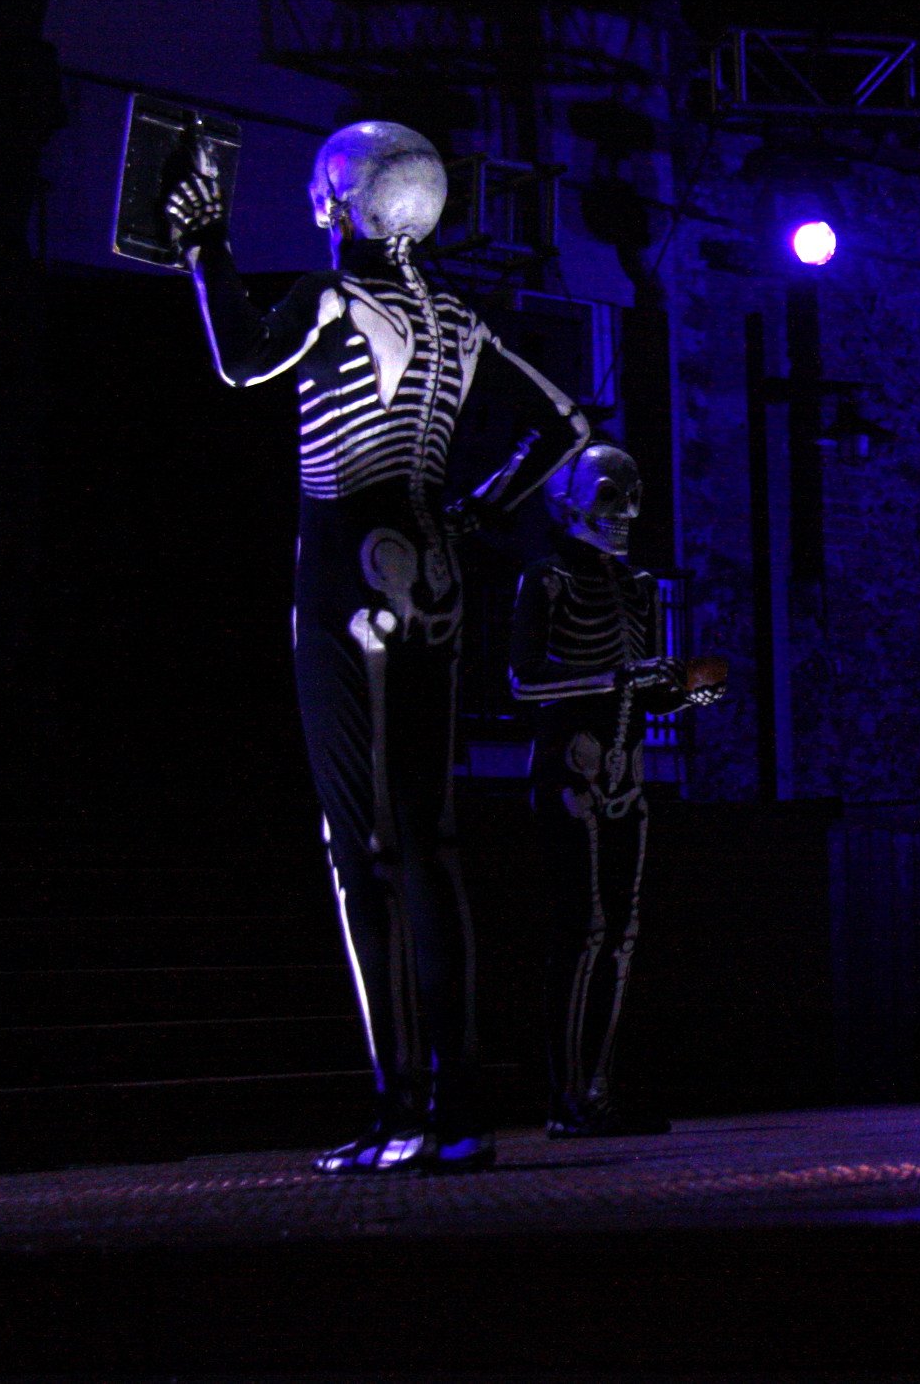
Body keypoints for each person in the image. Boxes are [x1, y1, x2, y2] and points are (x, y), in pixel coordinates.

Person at [167, 122, 590, 1170]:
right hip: (433, 564)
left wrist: (203, 246)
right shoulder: (457, 316)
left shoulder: (330, 298)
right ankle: (455, 1108)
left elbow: (237, 361)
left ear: (346, 203)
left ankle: (402, 1110)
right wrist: (482, 510)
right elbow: (566, 425)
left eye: (321, 188)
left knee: (363, 848)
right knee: (432, 840)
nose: (314, 205)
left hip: (349, 560)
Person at [509, 443, 725, 1137]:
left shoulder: (634, 587)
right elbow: (523, 681)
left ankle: (596, 1090)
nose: (628, 511)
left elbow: (644, 693)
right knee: (584, 927)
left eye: (633, 494)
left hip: (627, 776)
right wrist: (619, 680)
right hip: (570, 772)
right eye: (610, 494)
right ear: (568, 498)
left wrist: (690, 690)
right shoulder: (545, 581)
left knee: (621, 932)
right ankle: (567, 1096)